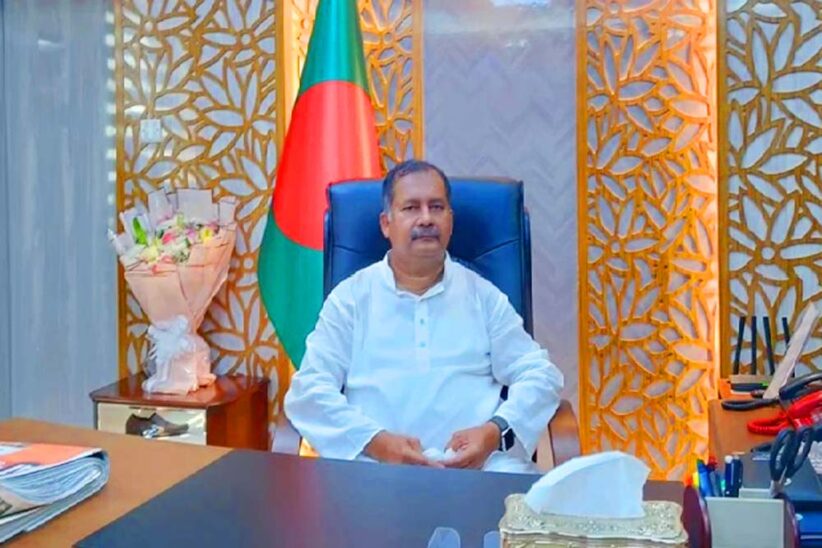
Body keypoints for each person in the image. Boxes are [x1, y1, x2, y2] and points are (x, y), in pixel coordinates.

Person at [284, 160, 563, 473]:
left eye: (437, 207)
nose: (426, 218)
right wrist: (375, 442)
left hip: (477, 470)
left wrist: (495, 431)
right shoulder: (350, 299)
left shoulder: (483, 297)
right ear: (386, 224)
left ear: (450, 221)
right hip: (375, 469)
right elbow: (309, 391)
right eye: (411, 208)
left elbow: (541, 375)